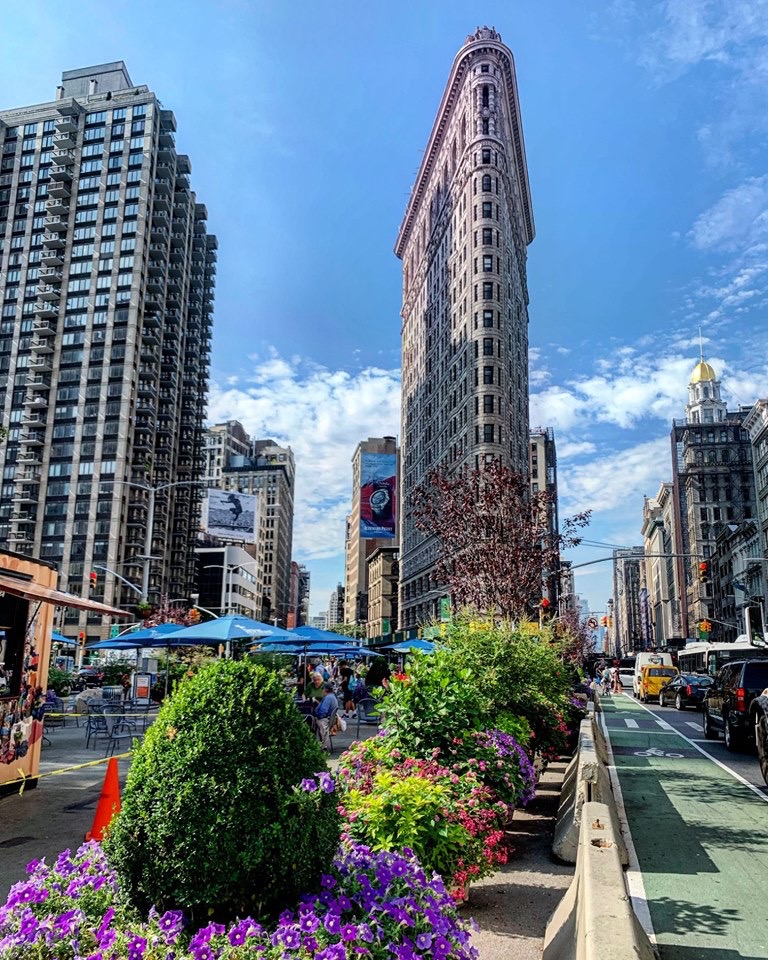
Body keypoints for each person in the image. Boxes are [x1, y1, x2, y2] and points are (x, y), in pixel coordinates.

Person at [313, 681, 339, 753]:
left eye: (322, 688)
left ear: (325, 689)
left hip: (325, 720)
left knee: (310, 721)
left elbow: (323, 712)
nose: (322, 690)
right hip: (330, 720)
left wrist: (317, 715)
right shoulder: (332, 696)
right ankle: (318, 744)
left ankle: (319, 745)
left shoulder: (328, 698)